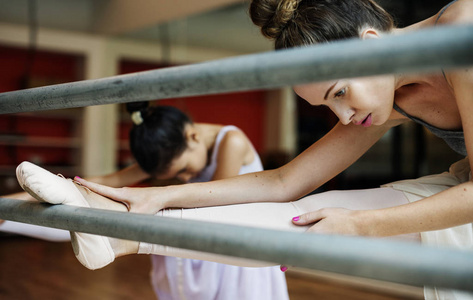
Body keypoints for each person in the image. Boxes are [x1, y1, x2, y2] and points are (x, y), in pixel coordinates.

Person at [12, 0, 473, 299]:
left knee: (343, 222)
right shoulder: (387, 96)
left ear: (370, 46)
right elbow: (284, 181)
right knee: (313, 215)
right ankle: (121, 234)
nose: (344, 116)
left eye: (338, 92)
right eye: (329, 105)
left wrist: (362, 225)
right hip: (464, 189)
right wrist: (159, 196)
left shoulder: (461, 27)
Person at [4, 103, 290, 300]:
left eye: (183, 170)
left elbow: (216, 201)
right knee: (90, 205)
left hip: (229, 242)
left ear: (193, 136)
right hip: (196, 233)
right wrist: (12, 201)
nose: (185, 178)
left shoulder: (232, 140)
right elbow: (107, 181)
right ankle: (7, 215)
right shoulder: (164, 151)